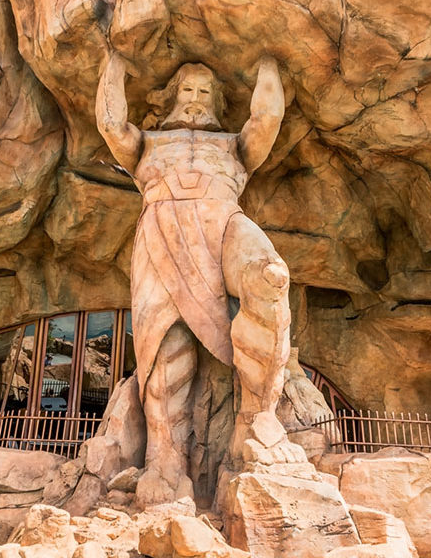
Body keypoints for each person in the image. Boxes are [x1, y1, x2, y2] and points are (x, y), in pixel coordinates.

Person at [96, 53, 304, 507]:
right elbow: (112, 126)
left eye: (204, 92)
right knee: (165, 347)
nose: (194, 100)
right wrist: (113, 65)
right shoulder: (148, 143)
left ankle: (258, 421)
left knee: (269, 278)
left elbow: (265, 120)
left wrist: (267, 61)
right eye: (186, 91)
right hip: (161, 231)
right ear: (172, 98)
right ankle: (165, 465)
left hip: (223, 220)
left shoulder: (232, 145)